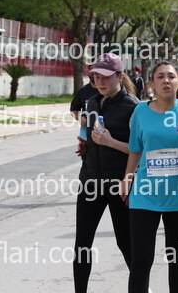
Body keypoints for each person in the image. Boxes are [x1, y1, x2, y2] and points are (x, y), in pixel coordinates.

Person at [73, 53, 139, 292]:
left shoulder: (134, 107)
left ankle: (141, 287)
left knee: (125, 243)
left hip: (119, 185)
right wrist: (86, 145)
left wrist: (110, 143)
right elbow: (90, 134)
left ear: (120, 76)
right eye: (96, 77)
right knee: (82, 245)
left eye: (106, 77)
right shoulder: (92, 102)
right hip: (90, 182)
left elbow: (139, 150)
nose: (100, 82)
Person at [120, 61, 178, 293]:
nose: (166, 80)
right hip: (145, 195)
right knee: (141, 260)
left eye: (171, 76)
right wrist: (127, 178)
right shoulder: (140, 111)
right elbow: (135, 148)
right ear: (152, 84)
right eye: (160, 76)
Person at [70, 69, 99, 157]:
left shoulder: (107, 91)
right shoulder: (83, 91)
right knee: (86, 157)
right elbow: (73, 110)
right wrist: (79, 118)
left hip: (103, 131)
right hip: (85, 132)